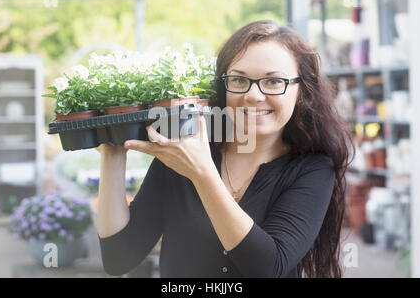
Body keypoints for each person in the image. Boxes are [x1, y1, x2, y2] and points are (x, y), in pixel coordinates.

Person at [96, 20, 355, 278]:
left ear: (302, 90)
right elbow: (119, 258)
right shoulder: (184, 150)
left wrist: (203, 175)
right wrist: (113, 155)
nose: (254, 95)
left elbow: (268, 267)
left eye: (274, 82)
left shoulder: (313, 168)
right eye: (239, 80)